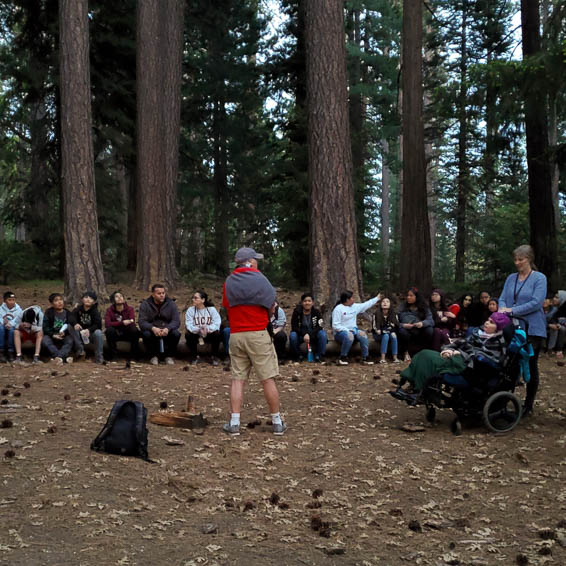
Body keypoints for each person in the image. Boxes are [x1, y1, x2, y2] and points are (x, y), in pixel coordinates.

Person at [222, 247, 286, 436]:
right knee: (267, 379)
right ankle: (277, 422)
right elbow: (272, 305)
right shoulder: (260, 279)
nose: (257, 262)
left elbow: (226, 306)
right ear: (250, 261)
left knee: (237, 380)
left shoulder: (229, 281)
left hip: (236, 335)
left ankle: (234, 423)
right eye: (256, 259)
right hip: (258, 333)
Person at [399, 312, 511, 393]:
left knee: (431, 360)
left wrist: (459, 353)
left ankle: (420, 390)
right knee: (423, 354)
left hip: (470, 366)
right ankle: (412, 384)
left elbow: (486, 357)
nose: (487, 323)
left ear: (498, 328)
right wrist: (449, 349)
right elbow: (462, 342)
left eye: (491, 322)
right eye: (488, 320)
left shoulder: (497, 342)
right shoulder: (478, 333)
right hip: (458, 356)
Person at [498, 244, 547, 416]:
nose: (517, 263)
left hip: (532, 328)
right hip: (512, 327)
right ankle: (504, 401)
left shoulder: (539, 278)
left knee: (529, 364)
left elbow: (536, 302)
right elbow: (503, 298)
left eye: (521, 259)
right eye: (515, 259)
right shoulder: (511, 278)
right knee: (509, 364)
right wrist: (503, 309)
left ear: (529, 259)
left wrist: (511, 310)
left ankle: (528, 404)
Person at [332, 291, 382, 365]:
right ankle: (343, 357)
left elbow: (366, 305)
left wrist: (377, 298)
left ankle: (365, 357)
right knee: (349, 335)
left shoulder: (354, 307)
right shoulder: (338, 309)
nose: (353, 299)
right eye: (352, 298)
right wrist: (347, 330)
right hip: (340, 333)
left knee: (363, 334)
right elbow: (335, 325)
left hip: (354, 330)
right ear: (347, 300)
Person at [139, 284, 181, 366]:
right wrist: (153, 328)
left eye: (163, 293)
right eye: (159, 293)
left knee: (176, 334)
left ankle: (169, 356)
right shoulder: (145, 304)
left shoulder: (171, 304)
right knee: (145, 334)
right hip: (152, 329)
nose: (162, 295)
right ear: (153, 294)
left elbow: (176, 321)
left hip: (166, 329)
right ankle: (153, 356)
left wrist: (168, 328)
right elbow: (142, 321)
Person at [185, 291, 222, 366]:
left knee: (217, 334)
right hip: (196, 334)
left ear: (203, 300)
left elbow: (217, 323)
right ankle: (194, 357)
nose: (193, 299)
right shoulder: (190, 310)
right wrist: (198, 329)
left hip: (209, 334)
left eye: (196, 298)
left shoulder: (211, 309)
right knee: (188, 334)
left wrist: (208, 329)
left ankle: (214, 356)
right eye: (193, 298)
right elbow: (188, 324)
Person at [397, 288, 433, 361]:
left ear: (417, 297)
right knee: (402, 331)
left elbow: (431, 320)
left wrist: (422, 323)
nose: (408, 297)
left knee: (429, 330)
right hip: (406, 330)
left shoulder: (424, 307)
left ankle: (424, 352)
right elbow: (394, 320)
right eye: (408, 295)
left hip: (418, 330)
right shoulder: (402, 306)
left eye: (411, 296)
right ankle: (405, 353)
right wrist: (403, 325)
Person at [289, 293, 327, 362]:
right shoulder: (297, 312)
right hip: (300, 335)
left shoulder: (316, 312)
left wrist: (309, 334)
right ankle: (298, 355)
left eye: (309, 301)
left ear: (312, 303)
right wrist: (304, 334)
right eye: (305, 301)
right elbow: (294, 326)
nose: (307, 303)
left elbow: (320, 326)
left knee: (322, 334)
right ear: (302, 303)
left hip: (313, 334)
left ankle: (319, 355)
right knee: (293, 335)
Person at [104, 291, 140, 359]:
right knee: (109, 330)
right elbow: (107, 324)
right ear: (113, 300)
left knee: (134, 329)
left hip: (127, 333)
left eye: (121, 296)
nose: (119, 298)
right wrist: (122, 323)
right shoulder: (109, 310)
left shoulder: (130, 309)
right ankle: (113, 355)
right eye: (116, 297)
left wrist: (117, 324)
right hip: (115, 334)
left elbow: (132, 321)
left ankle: (134, 355)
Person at [71, 291, 104, 363]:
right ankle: (80, 351)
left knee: (98, 332)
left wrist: (89, 330)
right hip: (79, 333)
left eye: (91, 298)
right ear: (82, 299)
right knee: (70, 326)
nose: (88, 299)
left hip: (90, 334)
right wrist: (75, 323)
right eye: (86, 297)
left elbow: (98, 324)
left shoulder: (95, 311)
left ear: (94, 302)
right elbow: (71, 317)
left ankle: (99, 357)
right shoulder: (78, 309)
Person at [42, 293, 75, 364]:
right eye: (56, 301)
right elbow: (45, 327)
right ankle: (62, 357)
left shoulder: (67, 313)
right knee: (45, 340)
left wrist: (65, 333)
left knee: (70, 341)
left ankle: (58, 358)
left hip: (63, 335)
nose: (59, 302)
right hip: (52, 334)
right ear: (52, 303)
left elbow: (70, 326)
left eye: (61, 300)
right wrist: (53, 334)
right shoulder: (49, 312)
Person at [372, 296, 400, 364]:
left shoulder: (394, 314)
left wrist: (392, 331)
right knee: (386, 335)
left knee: (393, 335)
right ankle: (383, 358)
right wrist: (380, 331)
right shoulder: (376, 314)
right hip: (378, 334)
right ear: (380, 304)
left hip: (390, 332)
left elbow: (396, 326)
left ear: (390, 304)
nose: (385, 303)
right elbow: (375, 327)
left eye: (387, 302)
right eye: (383, 302)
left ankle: (395, 357)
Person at [0, 291, 23, 362]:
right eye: (9, 300)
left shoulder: (18, 309)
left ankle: (11, 351)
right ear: (5, 301)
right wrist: (3, 322)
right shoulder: (1, 308)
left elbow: (18, 319)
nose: (12, 302)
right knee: (1, 329)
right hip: (3, 325)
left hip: (12, 326)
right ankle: (1, 351)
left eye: (13, 300)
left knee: (12, 330)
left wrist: (10, 324)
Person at [545, 290, 566, 358]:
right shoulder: (551, 307)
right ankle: (551, 349)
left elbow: (556, 319)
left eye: (557, 297)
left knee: (560, 328)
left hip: (554, 325)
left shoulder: (560, 309)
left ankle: (558, 349)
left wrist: (558, 323)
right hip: (545, 325)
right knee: (559, 329)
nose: (554, 298)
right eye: (554, 297)